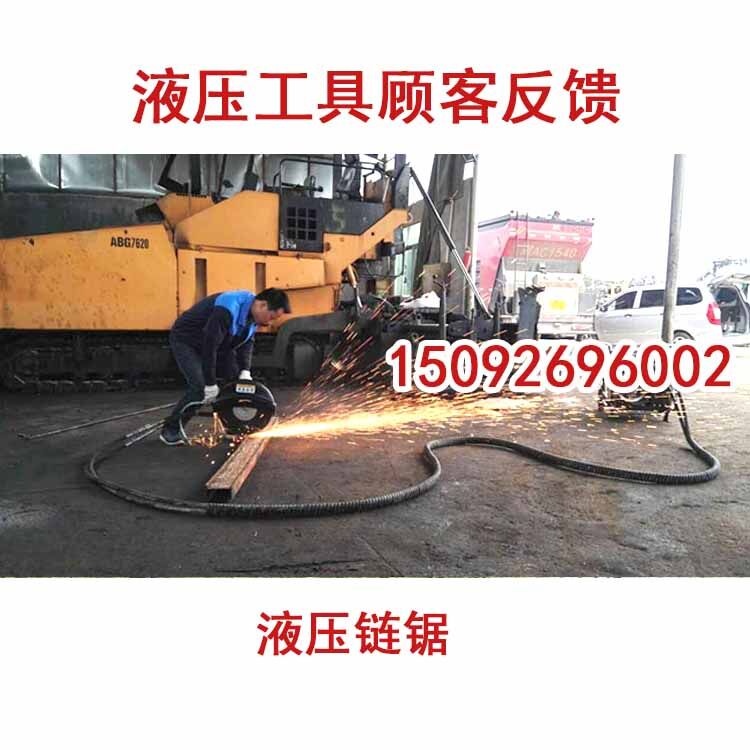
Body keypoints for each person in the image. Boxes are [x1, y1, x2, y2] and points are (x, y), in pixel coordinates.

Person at [160, 288, 291, 446]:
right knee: (200, 388)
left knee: (235, 383)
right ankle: (170, 430)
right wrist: (210, 384)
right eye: (271, 317)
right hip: (187, 341)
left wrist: (245, 371)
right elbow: (210, 348)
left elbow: (247, 342)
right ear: (262, 305)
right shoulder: (227, 308)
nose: (270, 322)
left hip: (220, 343)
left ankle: (234, 427)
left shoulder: (253, 315)